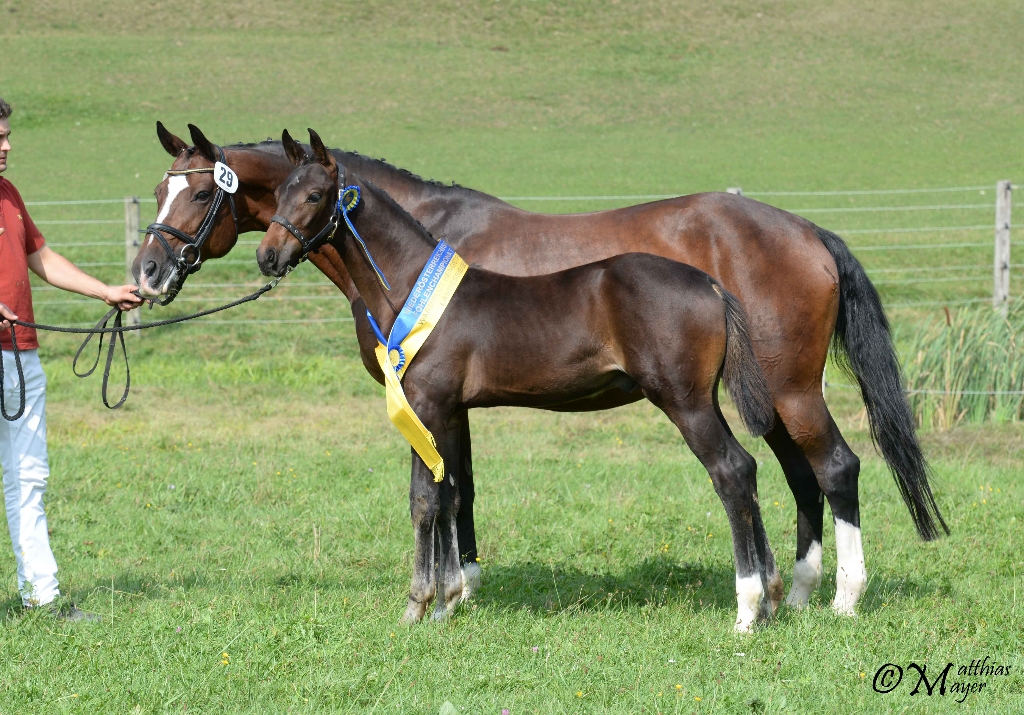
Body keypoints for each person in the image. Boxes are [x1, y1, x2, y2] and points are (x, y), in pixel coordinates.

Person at [0, 96, 141, 618]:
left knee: (29, 477)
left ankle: (42, 596)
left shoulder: (8, 194)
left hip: (22, 355)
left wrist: (103, 290)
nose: (8, 145)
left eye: (8, 135)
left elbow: (40, 256)